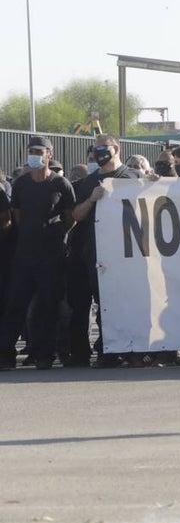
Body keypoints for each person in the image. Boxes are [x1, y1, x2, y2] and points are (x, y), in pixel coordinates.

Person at [0, 136, 75, 369]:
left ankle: (45, 354)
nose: (34, 154)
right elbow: (16, 216)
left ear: (48, 155)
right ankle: (5, 355)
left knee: (48, 306)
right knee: (16, 306)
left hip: (50, 257)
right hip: (24, 256)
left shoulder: (61, 184)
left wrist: (55, 233)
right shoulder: (21, 183)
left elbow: (71, 217)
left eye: (38, 151)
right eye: (31, 150)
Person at [70, 134, 139, 368]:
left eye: (103, 148)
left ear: (116, 148)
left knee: (128, 301)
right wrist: (91, 200)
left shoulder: (132, 177)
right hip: (97, 254)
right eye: (95, 149)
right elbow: (76, 215)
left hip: (128, 253)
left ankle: (132, 349)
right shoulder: (89, 182)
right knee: (104, 304)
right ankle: (107, 350)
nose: (99, 153)